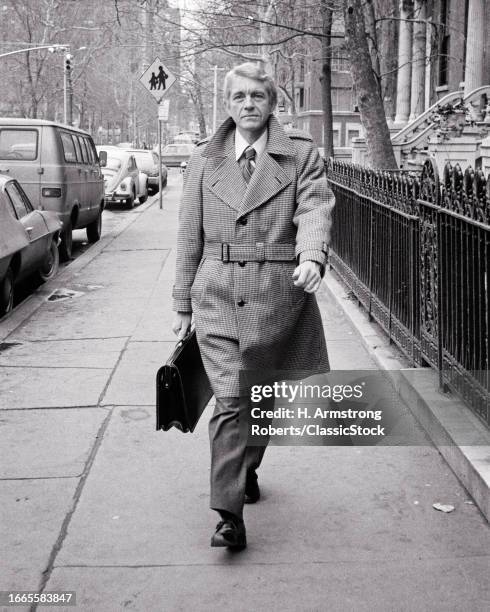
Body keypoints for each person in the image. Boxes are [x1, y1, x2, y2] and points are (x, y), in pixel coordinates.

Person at [172, 62, 335, 549]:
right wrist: (182, 303)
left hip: (277, 300)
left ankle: (246, 468)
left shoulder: (300, 155)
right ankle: (228, 516)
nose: (248, 105)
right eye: (239, 97)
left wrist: (312, 255)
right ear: (228, 103)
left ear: (272, 103)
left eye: (257, 97)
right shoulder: (204, 159)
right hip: (217, 295)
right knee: (229, 401)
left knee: (261, 399)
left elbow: (316, 208)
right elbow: (188, 237)